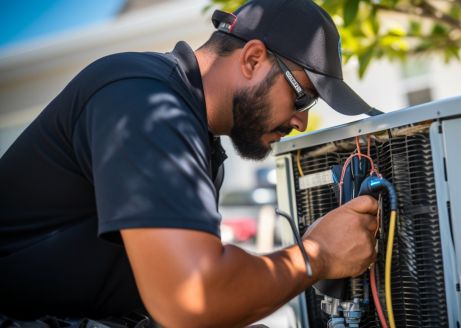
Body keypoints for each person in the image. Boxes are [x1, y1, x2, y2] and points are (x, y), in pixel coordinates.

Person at [0, 0, 379, 326]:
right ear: (252, 59)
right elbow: (192, 298)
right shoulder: (144, 100)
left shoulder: (199, 139)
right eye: (303, 98)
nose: (301, 122)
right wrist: (317, 256)